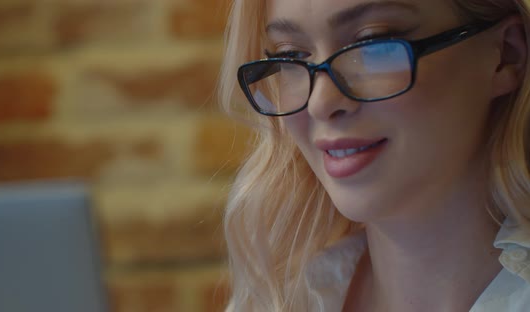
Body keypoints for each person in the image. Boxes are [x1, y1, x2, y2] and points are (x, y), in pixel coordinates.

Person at [218, 0, 530, 311]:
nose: (321, 102)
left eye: (373, 42)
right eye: (291, 55)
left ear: (506, 54)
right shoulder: (277, 301)